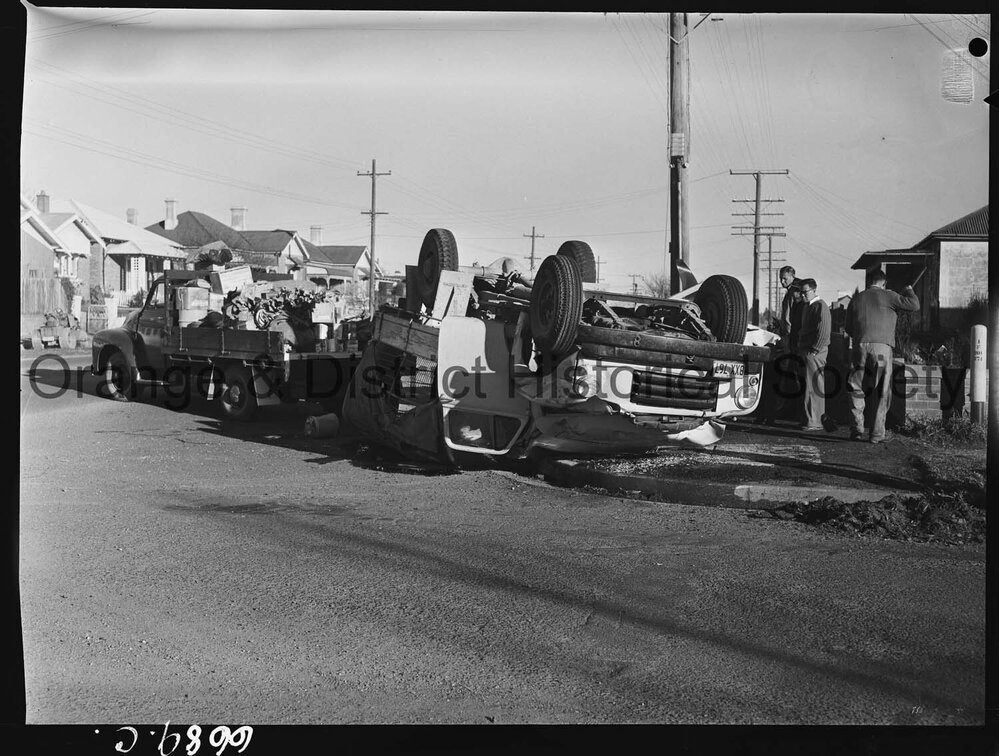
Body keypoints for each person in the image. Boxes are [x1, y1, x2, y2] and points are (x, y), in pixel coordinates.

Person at [845, 269, 920, 444]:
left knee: (856, 387)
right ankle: (877, 433)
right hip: (881, 348)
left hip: (859, 345)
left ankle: (857, 428)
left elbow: (848, 327)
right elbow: (914, 305)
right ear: (884, 283)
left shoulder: (857, 298)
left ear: (869, 282)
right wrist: (909, 289)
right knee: (881, 389)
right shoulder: (889, 295)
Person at [796, 278, 831, 431]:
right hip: (808, 350)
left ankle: (814, 421)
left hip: (814, 351)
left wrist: (815, 350)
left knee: (813, 386)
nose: (803, 295)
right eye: (801, 292)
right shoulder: (808, 307)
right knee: (807, 386)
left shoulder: (820, 306)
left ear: (814, 290)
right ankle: (809, 418)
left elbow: (823, 331)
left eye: (805, 292)